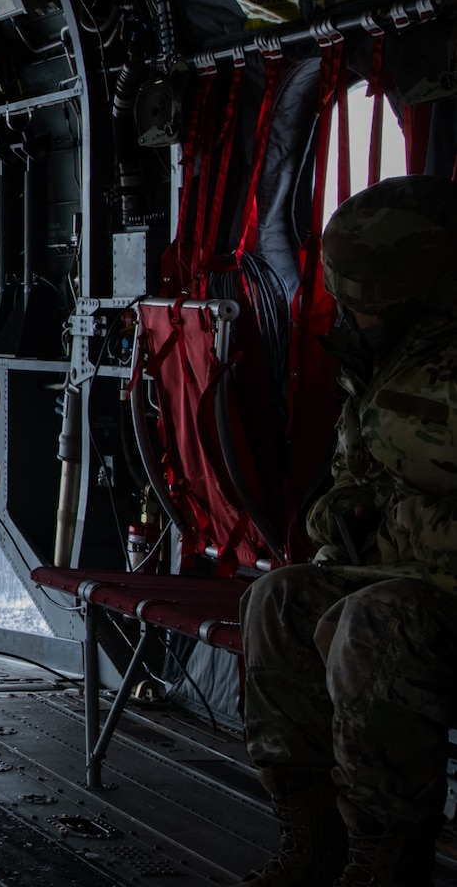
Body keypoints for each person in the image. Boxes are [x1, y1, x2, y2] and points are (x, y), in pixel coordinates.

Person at [238, 174, 457, 887]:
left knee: (372, 624)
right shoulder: (384, 354)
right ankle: (314, 841)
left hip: (434, 595)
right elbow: (348, 474)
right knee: (277, 600)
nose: (354, 315)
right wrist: (341, 509)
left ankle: (387, 861)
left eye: (367, 300)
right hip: (398, 574)